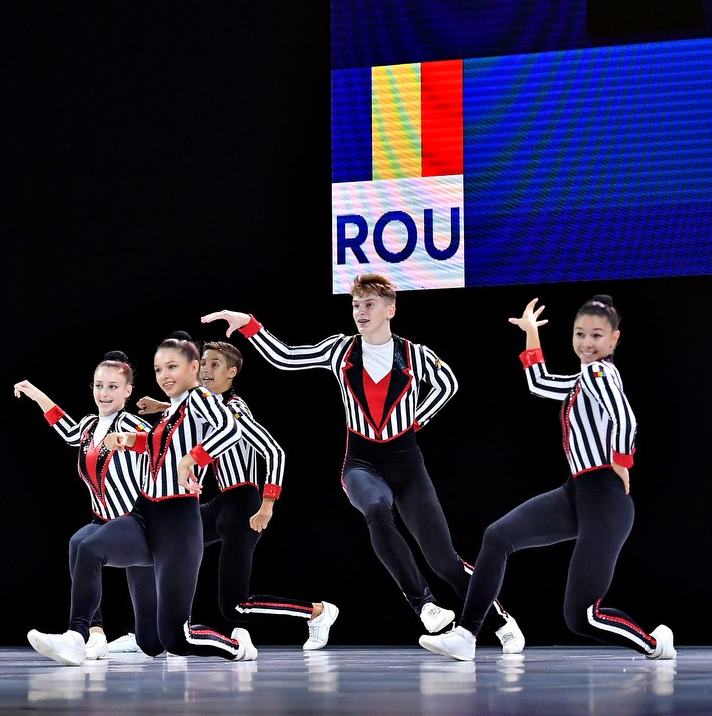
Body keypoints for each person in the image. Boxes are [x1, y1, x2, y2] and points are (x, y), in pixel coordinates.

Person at [201, 274, 523, 652]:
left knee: (445, 561)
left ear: (390, 310)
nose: (360, 312)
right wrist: (249, 325)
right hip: (361, 463)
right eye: (356, 305)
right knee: (376, 511)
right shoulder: (341, 350)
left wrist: (417, 420)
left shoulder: (414, 354)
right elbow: (287, 357)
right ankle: (425, 604)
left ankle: (501, 620)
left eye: (369, 304)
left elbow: (447, 383)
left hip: (407, 464)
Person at [419, 295, 676, 661]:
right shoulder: (582, 381)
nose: (587, 343)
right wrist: (531, 333)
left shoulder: (599, 373)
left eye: (597, 335)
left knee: (582, 617)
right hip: (577, 494)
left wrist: (622, 460)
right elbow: (539, 383)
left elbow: (626, 417)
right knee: (498, 536)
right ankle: (466, 634)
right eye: (580, 334)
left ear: (614, 339)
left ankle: (655, 644)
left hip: (605, 499)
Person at [27, 334, 256, 665]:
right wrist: (130, 440)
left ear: (193, 368)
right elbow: (156, 445)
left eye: (172, 367)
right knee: (88, 548)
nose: (164, 375)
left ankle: (238, 647)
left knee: (173, 639)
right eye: (159, 369)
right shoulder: (173, 409)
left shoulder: (200, 398)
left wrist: (194, 458)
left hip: (178, 524)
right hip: (146, 511)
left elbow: (231, 430)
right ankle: (76, 637)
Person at [135, 340, 339, 650]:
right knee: (160, 544)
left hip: (244, 505)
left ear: (232, 372)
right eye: (203, 363)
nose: (205, 370)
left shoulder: (236, 410)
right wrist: (163, 407)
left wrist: (267, 505)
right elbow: (194, 412)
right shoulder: (205, 405)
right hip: (220, 505)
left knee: (235, 606)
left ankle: (318, 612)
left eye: (214, 364)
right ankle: (151, 632)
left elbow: (275, 452)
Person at [14, 351, 155, 661]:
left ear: (128, 391)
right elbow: (67, 430)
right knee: (79, 543)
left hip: (139, 524)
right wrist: (36, 394)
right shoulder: (90, 425)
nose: (104, 393)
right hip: (104, 521)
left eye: (113, 387)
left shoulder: (133, 425)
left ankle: (93, 637)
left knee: (158, 639)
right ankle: (92, 634)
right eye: (98, 385)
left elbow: (164, 447)